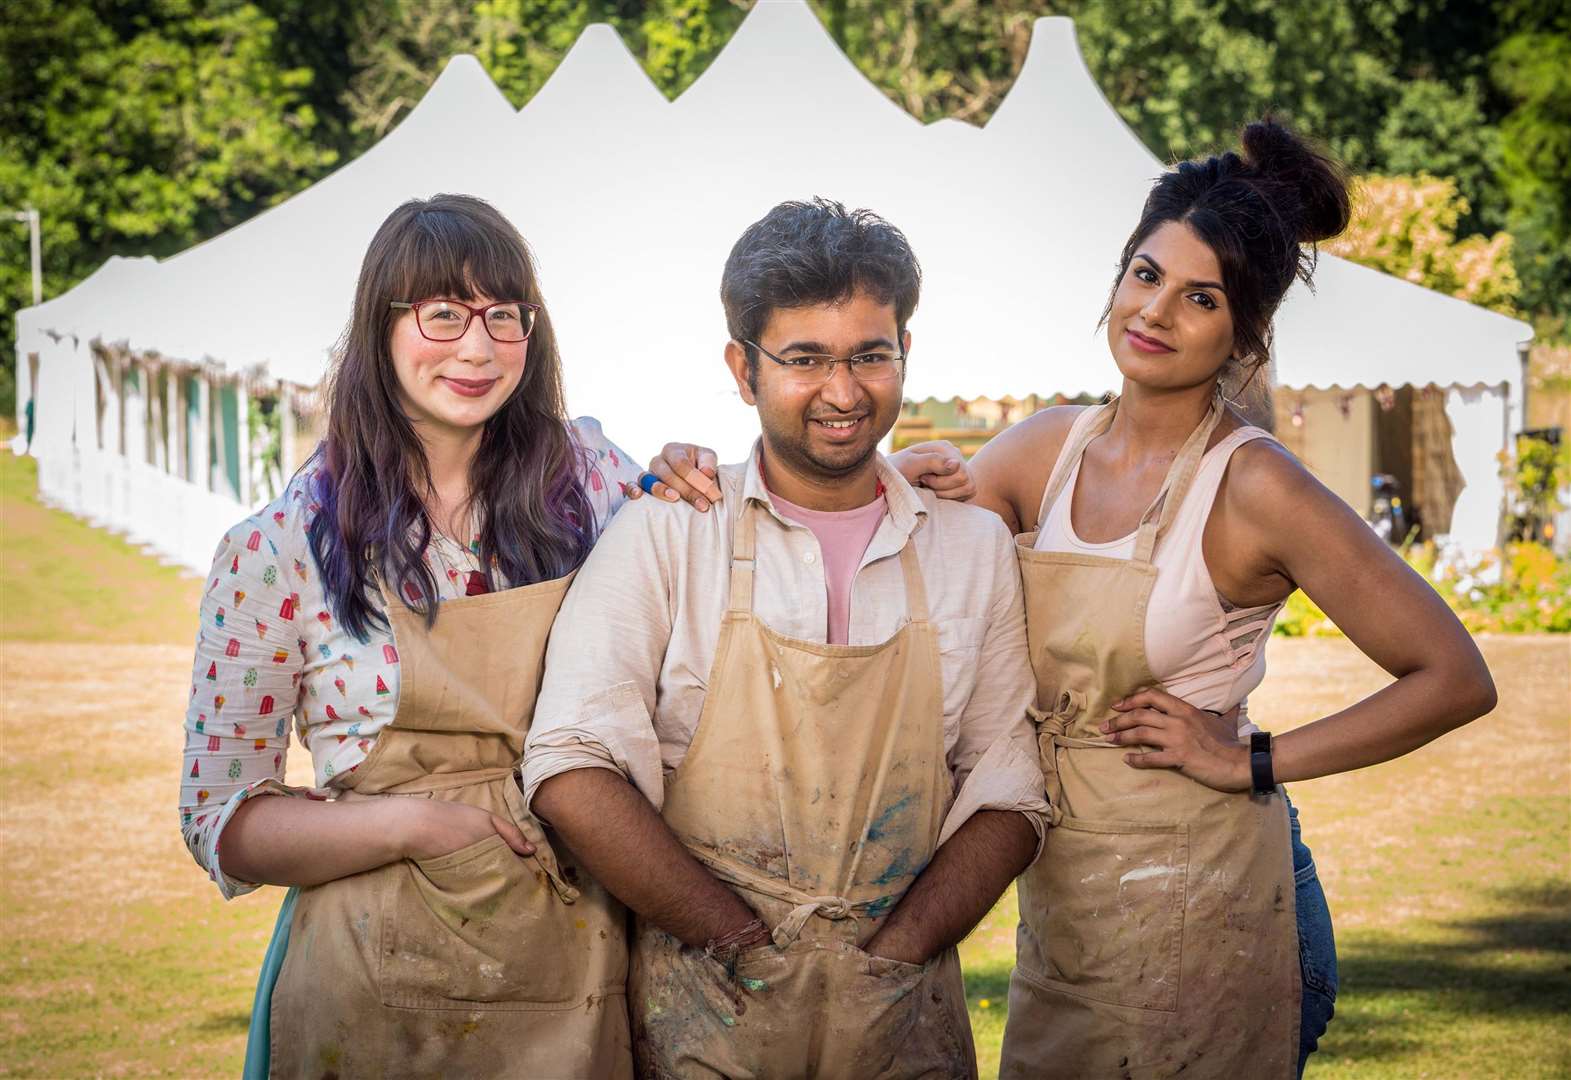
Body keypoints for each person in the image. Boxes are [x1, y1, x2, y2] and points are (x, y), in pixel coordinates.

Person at [892, 119, 1497, 1078]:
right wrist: (904, 476)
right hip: (1069, 900)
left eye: (1198, 297)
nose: (1155, 313)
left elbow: (1454, 677)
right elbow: (903, 560)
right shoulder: (1045, 450)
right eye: (1145, 274)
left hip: (1208, 896)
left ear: (1241, 331)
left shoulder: (1256, 486)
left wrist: (1255, 758)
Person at [523, 198, 1049, 1079]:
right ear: (743, 368)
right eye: (805, 359)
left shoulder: (971, 548)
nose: (843, 393)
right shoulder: (668, 530)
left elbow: (1010, 790)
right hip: (703, 1013)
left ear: (904, 354)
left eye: (870, 356)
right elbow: (570, 770)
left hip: (901, 1021)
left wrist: (888, 958)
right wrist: (740, 945)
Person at [178, 194, 669, 1078]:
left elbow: (720, 553)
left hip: (579, 954)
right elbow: (223, 822)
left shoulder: (591, 482)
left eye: (503, 316)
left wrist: (877, 473)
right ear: (380, 325)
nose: (477, 349)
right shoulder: (274, 549)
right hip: (371, 974)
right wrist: (421, 826)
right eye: (442, 314)